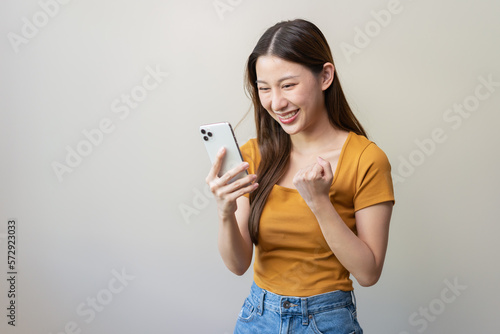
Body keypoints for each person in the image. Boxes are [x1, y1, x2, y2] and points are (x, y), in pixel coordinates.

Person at [205, 18, 395, 334]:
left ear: (325, 76)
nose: (276, 103)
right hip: (257, 318)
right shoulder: (253, 156)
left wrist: (320, 202)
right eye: (264, 88)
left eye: (288, 85)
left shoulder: (366, 159)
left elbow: (368, 272)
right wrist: (225, 212)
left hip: (327, 320)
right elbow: (238, 265)